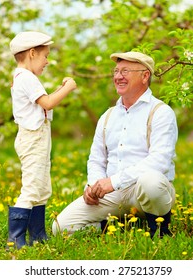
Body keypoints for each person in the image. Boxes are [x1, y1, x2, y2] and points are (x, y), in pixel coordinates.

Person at [52, 51, 177, 238]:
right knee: (61, 228)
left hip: (143, 192)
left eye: (125, 71)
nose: (118, 77)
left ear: (145, 76)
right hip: (114, 194)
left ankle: (159, 230)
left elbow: (159, 161)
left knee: (150, 181)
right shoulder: (108, 115)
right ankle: (113, 226)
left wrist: (113, 182)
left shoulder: (161, 112)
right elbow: (96, 159)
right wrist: (94, 186)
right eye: (116, 71)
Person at [7, 31, 77, 248]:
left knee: (42, 188)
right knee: (31, 188)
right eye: (45, 56)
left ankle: (38, 235)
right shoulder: (26, 77)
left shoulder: (25, 78)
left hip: (38, 138)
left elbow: (42, 102)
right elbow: (47, 103)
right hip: (33, 139)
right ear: (31, 53)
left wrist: (58, 89)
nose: (47, 61)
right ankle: (16, 238)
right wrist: (68, 87)